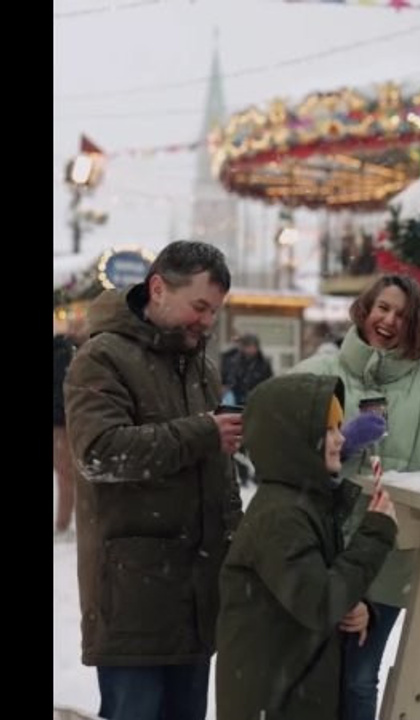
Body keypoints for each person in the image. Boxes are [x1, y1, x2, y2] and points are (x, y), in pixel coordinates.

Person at [63, 240, 244, 720]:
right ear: (159, 288)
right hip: (133, 599)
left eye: (215, 312)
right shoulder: (101, 358)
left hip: (195, 599)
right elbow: (100, 454)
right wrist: (203, 432)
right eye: (200, 306)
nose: (207, 322)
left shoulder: (200, 366)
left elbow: (214, 470)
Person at [290, 273, 420, 720]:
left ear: (416, 324)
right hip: (322, 550)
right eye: (383, 307)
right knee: (313, 671)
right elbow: (274, 437)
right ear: (365, 308)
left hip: (389, 556)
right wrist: (335, 443)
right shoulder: (320, 371)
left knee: (360, 675)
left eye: (402, 314)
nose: (389, 320)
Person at [216, 374, 397, 720]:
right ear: (297, 440)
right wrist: (374, 536)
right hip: (273, 702)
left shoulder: (306, 504)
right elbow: (319, 602)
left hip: (296, 693)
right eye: (329, 430)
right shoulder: (281, 517)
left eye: (340, 427)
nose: (340, 439)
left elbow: (320, 581)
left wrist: (358, 608)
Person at [52, 316, 87, 539]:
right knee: (67, 474)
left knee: (65, 474)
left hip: (60, 420)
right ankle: (64, 525)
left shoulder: (62, 351)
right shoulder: (67, 352)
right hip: (62, 420)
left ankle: (64, 524)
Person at [222, 334, 274, 406]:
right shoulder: (234, 361)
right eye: (247, 346)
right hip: (236, 399)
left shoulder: (263, 364)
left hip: (256, 399)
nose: (250, 349)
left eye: (252, 346)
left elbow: (269, 383)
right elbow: (228, 380)